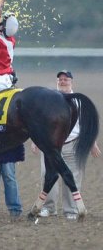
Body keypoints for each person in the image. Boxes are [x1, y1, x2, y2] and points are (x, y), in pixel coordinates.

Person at [32, 70, 101, 220]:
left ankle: (71, 210)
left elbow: (86, 125)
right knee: (47, 175)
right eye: (60, 79)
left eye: (66, 79)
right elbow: (40, 123)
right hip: (50, 145)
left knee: (73, 177)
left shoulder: (78, 102)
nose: (63, 81)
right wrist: (35, 141)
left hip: (72, 144)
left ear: (71, 82)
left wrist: (92, 143)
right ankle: (49, 208)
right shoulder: (48, 101)